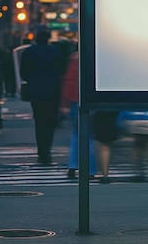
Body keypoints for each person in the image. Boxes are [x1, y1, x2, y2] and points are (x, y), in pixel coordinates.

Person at [19, 30, 64, 165]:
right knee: (50, 123)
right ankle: (47, 151)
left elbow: (23, 72)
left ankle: (42, 152)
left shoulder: (29, 52)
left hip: (36, 91)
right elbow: (62, 69)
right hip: (52, 90)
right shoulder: (55, 51)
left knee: (39, 122)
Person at [60, 46, 96, 179]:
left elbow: (68, 82)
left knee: (76, 134)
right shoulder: (95, 58)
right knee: (90, 137)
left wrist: (64, 102)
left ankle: (73, 165)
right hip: (92, 100)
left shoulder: (73, 59)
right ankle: (90, 169)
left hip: (75, 100)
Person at [91, 110, 118, 183]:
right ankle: (104, 173)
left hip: (100, 112)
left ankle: (103, 173)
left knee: (102, 144)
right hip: (112, 112)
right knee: (105, 145)